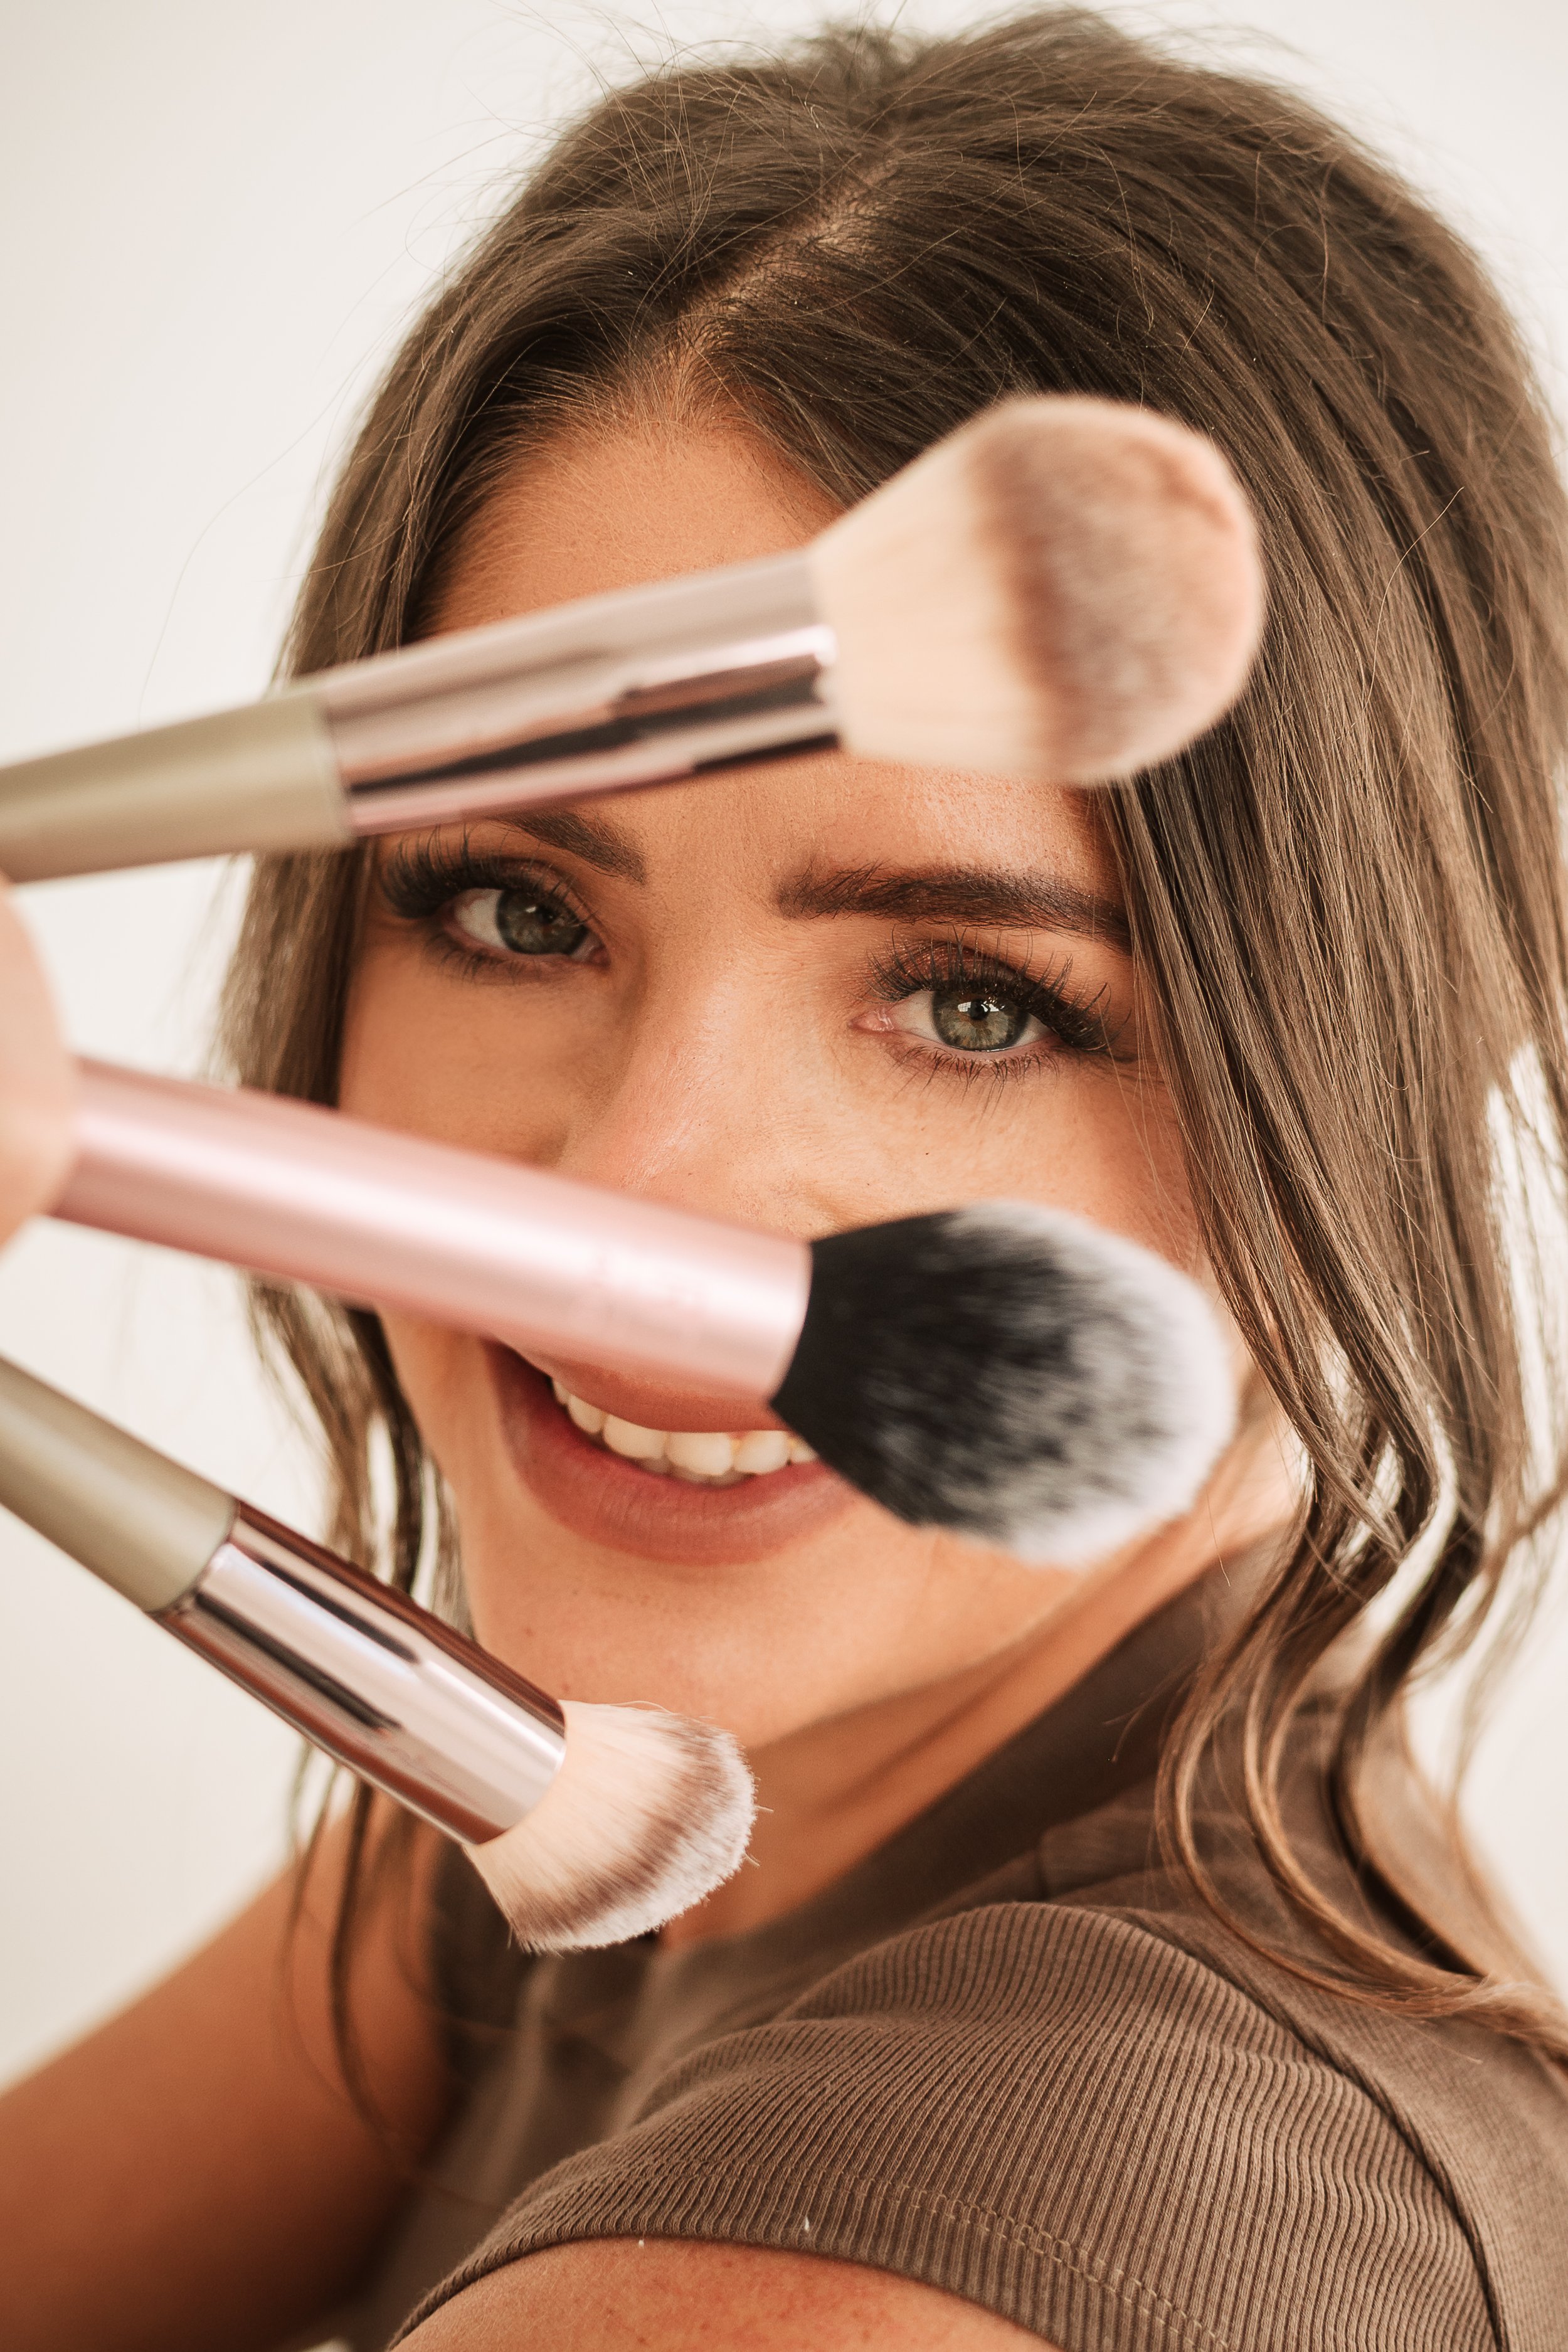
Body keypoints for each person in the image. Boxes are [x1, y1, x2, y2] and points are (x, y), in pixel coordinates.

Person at [4, 11, 1568, 2347]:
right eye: (513, 911)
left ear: (1399, 1054)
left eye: (972, 1003)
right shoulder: (609, 1807)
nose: (640, 1200)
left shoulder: (950, 2240)